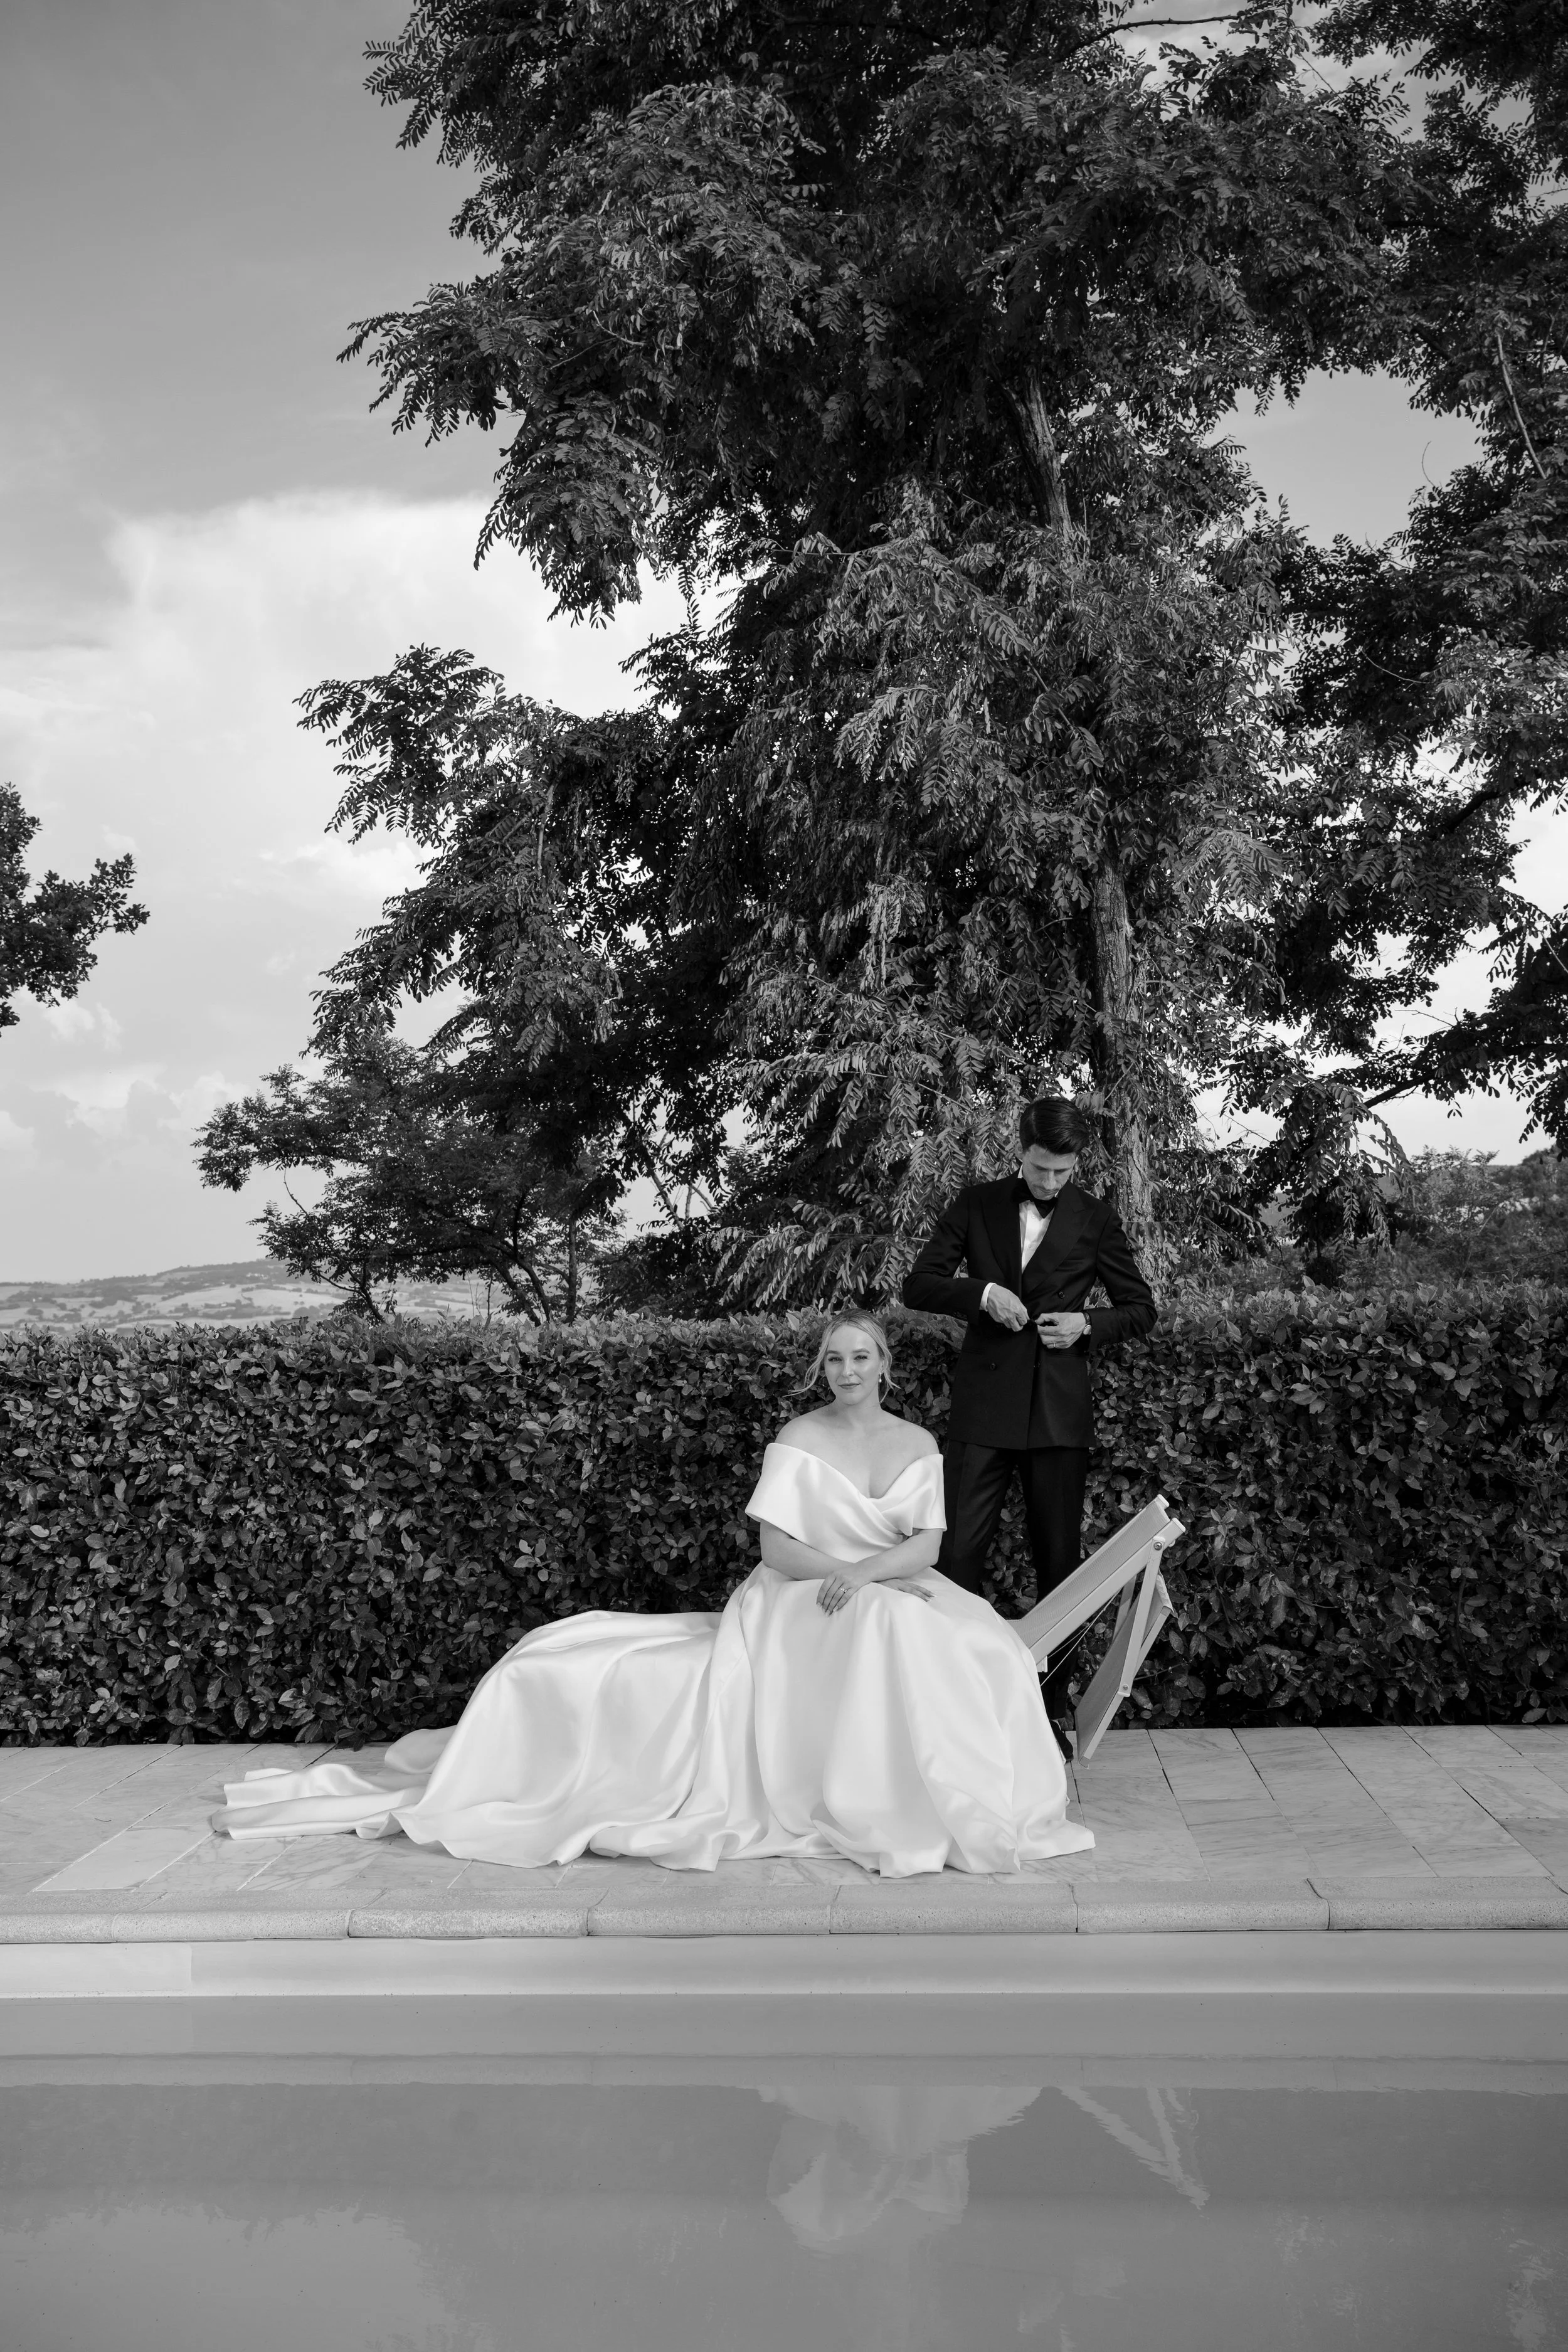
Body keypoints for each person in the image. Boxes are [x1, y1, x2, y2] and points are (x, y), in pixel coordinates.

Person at [213, 1315, 1093, 1877]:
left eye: (860, 1356)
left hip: (884, 1580)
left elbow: (928, 1546)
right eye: (834, 1358)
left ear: (885, 1364)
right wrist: (847, 1579)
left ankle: (950, 1796)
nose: (846, 1370)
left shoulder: (916, 1441)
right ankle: (875, 1799)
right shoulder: (800, 1434)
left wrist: (868, 1576)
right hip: (797, 1590)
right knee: (885, 1629)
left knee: (971, 1638)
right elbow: (776, 1546)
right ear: (821, 1368)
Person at [901, 1096, 1157, 1734]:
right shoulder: (976, 1203)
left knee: (1058, 1567)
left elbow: (1141, 1309)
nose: (1048, 1181)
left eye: (1061, 1172)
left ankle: (1048, 1713)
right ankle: (943, 1707)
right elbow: (919, 1284)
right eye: (1039, 1168)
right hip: (983, 1407)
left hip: (1057, 1414)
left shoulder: (1096, 1218)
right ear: (1020, 1151)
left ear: (1077, 1165)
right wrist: (983, 1293)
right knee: (953, 1558)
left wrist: (1086, 1324)